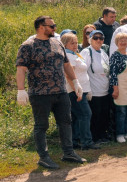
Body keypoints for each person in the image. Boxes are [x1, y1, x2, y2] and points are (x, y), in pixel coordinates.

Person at [16, 17, 87, 168]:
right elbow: (21, 69)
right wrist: (20, 90)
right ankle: (43, 157)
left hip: (60, 91)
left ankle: (68, 152)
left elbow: (66, 64)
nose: (55, 28)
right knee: (41, 126)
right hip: (40, 94)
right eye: (52, 26)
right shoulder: (27, 46)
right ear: (41, 27)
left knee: (66, 122)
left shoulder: (57, 42)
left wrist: (75, 82)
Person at [61, 33, 95, 151]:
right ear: (65, 44)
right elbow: (68, 75)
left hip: (83, 89)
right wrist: (76, 90)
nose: (75, 45)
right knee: (86, 114)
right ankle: (86, 142)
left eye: (76, 42)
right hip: (75, 91)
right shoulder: (68, 56)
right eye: (72, 43)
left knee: (77, 116)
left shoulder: (76, 54)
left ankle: (75, 141)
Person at [83, 30, 112, 144]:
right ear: (90, 39)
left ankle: (102, 135)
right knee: (95, 115)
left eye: (101, 38)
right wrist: (87, 90)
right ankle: (94, 137)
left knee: (104, 115)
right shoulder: (87, 52)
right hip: (94, 91)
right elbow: (83, 71)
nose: (99, 40)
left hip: (104, 90)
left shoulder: (103, 52)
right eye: (96, 38)